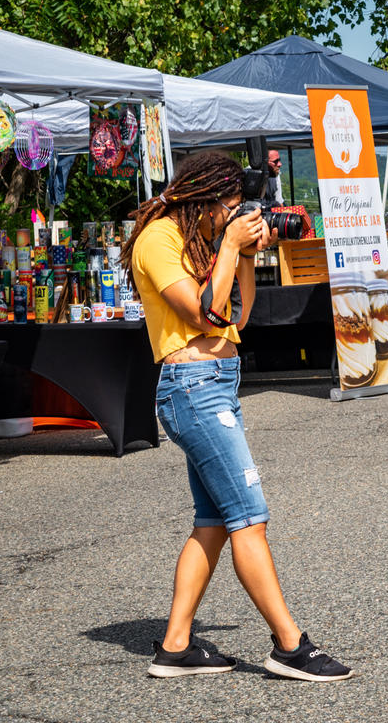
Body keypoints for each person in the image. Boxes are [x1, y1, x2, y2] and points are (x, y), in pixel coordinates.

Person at [122, 151, 354, 683]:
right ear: (203, 196)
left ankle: (175, 646)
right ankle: (290, 646)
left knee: (214, 522)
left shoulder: (201, 241)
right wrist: (227, 245)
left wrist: (245, 255)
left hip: (218, 384)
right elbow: (200, 314)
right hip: (192, 387)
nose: (231, 215)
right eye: (228, 206)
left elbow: (235, 317)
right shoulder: (159, 238)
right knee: (249, 514)